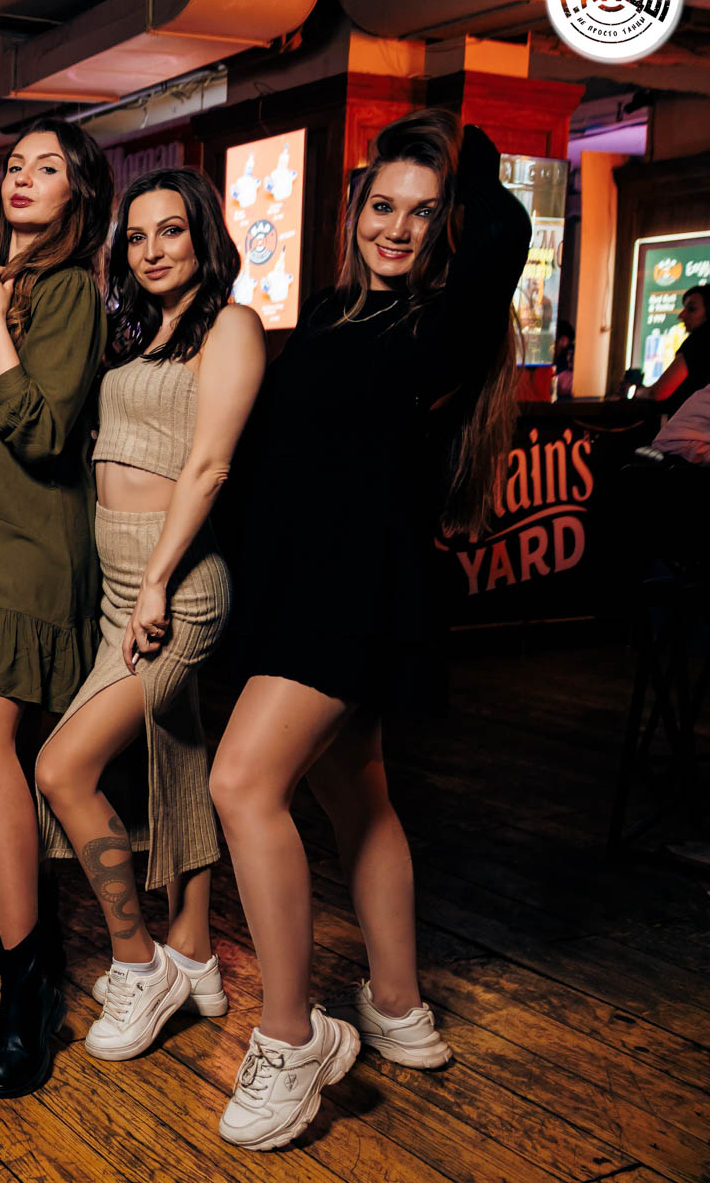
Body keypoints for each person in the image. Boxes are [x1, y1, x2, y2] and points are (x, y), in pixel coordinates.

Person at [210, 111, 529, 1150]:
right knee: (358, 790)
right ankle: (398, 1003)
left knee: (241, 783)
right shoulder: (335, 314)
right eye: (382, 205)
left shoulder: (446, 323)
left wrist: (455, 156)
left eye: (422, 213)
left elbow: (506, 228)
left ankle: (292, 1034)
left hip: (350, 592)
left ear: (449, 225)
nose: (396, 227)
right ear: (352, 212)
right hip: (294, 586)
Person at [33, 168, 263, 1062]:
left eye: (171, 230)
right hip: (116, 579)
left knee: (62, 767)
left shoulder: (231, 327)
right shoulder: (137, 333)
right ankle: (193, 952)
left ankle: (140, 962)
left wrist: (160, 579)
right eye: (137, 236)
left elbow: (208, 465)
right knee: (176, 757)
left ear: (204, 235)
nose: (153, 250)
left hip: (176, 585)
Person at [0, 118, 112, 1098]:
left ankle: (31, 989)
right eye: (15, 164)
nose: (24, 177)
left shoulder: (70, 287)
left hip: (32, 550)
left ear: (79, 193)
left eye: (49, 167)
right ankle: (22, 936)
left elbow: (43, 432)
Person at [651, 284, 710, 411]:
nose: (681, 315)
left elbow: (660, 392)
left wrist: (639, 391)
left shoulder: (698, 341)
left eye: (692, 309)